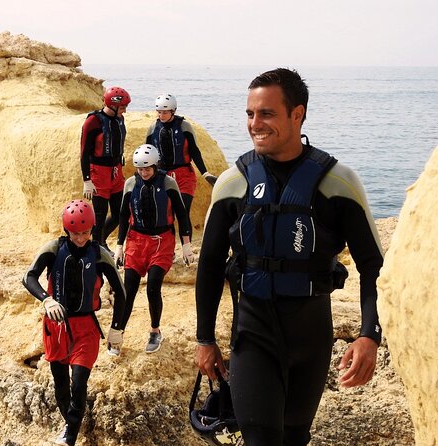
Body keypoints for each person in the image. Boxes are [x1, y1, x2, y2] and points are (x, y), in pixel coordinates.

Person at [194, 68, 384, 446]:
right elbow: (211, 265)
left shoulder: (338, 183)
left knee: (296, 438)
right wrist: (204, 338)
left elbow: (374, 267)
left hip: (311, 338)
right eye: (250, 114)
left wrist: (369, 334)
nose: (254, 124)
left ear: (297, 114)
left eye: (266, 113)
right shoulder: (234, 183)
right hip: (253, 338)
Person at [22, 200, 126, 446]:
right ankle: (70, 422)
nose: (81, 238)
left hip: (86, 328)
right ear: (67, 231)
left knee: (79, 381)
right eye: (76, 233)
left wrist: (116, 329)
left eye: (86, 232)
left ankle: (70, 437)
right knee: (61, 384)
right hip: (55, 325)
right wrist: (47, 301)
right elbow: (29, 277)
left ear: (92, 229)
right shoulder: (53, 249)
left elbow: (121, 292)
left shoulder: (99, 254)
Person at [113, 144, 194, 353]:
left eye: (147, 168)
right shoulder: (130, 184)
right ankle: (118, 332)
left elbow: (181, 213)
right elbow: (123, 216)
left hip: (162, 241)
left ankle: (155, 331)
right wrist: (119, 246)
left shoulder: (168, 183)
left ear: (155, 165)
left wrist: (186, 244)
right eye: (140, 169)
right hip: (136, 241)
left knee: (153, 285)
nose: (144, 172)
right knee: (128, 288)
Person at [146, 93, 218, 218]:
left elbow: (194, 151)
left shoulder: (184, 126)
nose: (161, 115)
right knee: (166, 214)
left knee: (183, 212)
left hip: (184, 175)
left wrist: (205, 173)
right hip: (162, 175)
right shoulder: (153, 128)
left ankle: (186, 238)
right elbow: (147, 154)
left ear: (173, 111)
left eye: (165, 112)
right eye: (159, 112)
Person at [80, 86, 131, 252]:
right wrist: (87, 180)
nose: (125, 110)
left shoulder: (119, 119)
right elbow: (84, 152)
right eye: (123, 106)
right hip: (98, 171)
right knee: (100, 214)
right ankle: (98, 246)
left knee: (119, 212)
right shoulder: (93, 121)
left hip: (116, 170)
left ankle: (100, 241)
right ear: (113, 104)